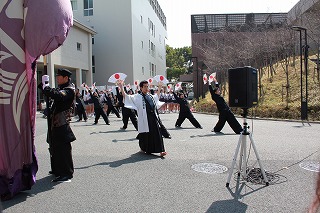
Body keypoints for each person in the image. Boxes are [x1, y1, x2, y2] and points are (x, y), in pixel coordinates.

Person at [40, 68, 76, 182]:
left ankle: (66, 173)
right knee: (54, 147)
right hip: (54, 122)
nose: (57, 78)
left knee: (63, 149)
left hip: (62, 123)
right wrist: (43, 84)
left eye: (59, 76)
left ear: (66, 78)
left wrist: (47, 88)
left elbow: (59, 95)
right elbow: (51, 92)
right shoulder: (61, 88)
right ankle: (57, 169)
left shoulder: (69, 90)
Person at [118, 80, 167, 157]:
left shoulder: (150, 95)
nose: (147, 88)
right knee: (145, 134)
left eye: (147, 86)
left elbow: (157, 97)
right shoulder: (137, 96)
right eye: (145, 86)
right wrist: (121, 87)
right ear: (141, 87)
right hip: (144, 118)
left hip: (153, 117)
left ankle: (161, 150)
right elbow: (126, 97)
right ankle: (144, 148)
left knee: (157, 133)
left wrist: (160, 86)